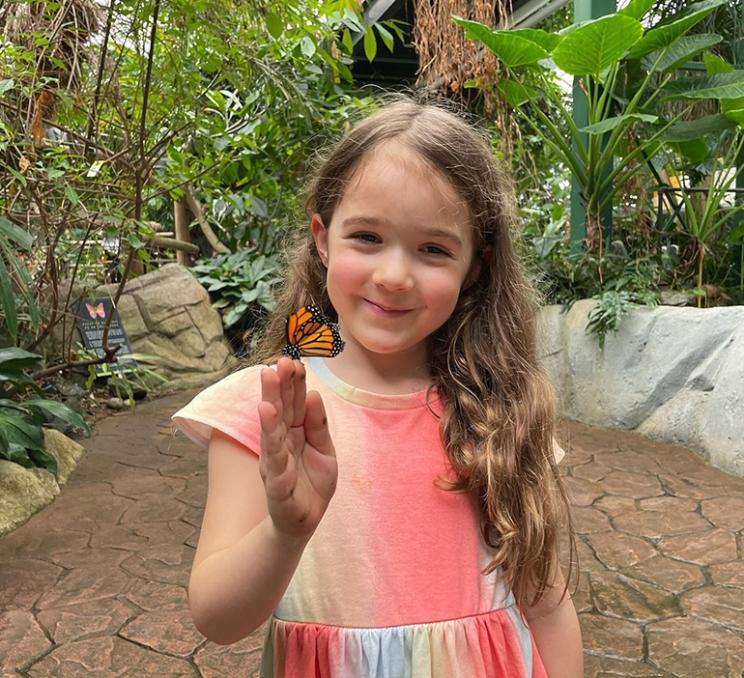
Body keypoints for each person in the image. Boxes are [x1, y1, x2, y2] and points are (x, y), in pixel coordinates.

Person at [172, 98, 583, 677]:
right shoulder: (266, 409)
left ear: (476, 266)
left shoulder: (498, 409)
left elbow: (546, 601)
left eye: (433, 249)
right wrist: (286, 533)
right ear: (322, 238)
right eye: (367, 237)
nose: (393, 275)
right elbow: (216, 618)